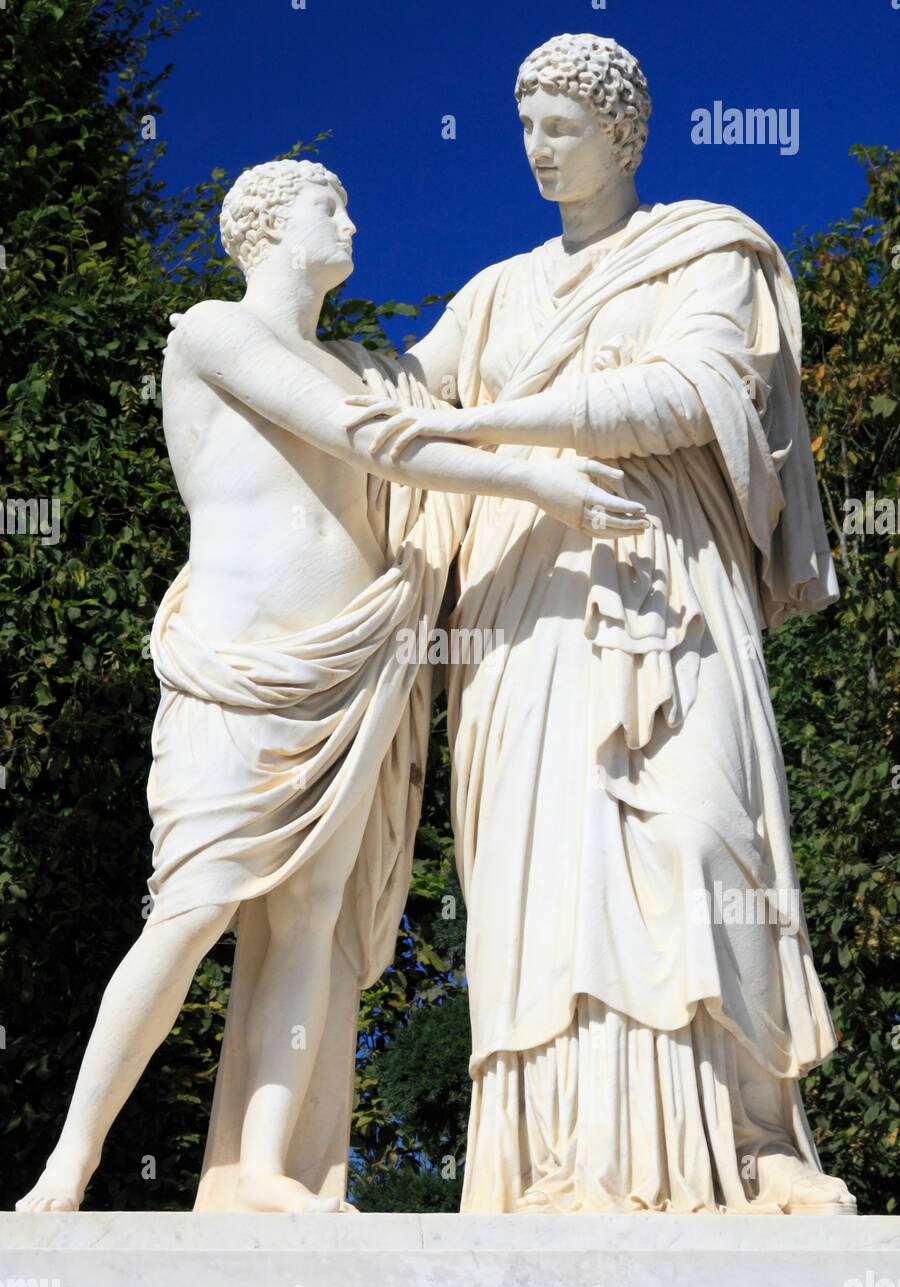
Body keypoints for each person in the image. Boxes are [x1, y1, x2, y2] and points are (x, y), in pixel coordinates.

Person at [17, 157, 643, 1214]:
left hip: (354, 671)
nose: (352, 218)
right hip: (239, 669)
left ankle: (262, 1167)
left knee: (310, 923)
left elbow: (452, 375)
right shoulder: (213, 332)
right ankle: (68, 1165)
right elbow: (374, 438)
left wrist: (588, 274)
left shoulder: (363, 362)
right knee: (191, 909)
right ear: (263, 222)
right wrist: (534, 475)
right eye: (329, 204)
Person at [353, 34, 857, 1214]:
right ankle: (557, 1160)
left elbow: (696, 392)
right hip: (523, 610)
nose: (536, 147)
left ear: (624, 132)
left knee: (700, 838)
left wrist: (492, 429)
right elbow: (387, 406)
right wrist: (265, 342)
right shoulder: (490, 295)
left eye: (561, 125)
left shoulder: (706, 250)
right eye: (523, 124)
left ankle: (749, 1137)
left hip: (667, 583)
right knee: (547, 878)